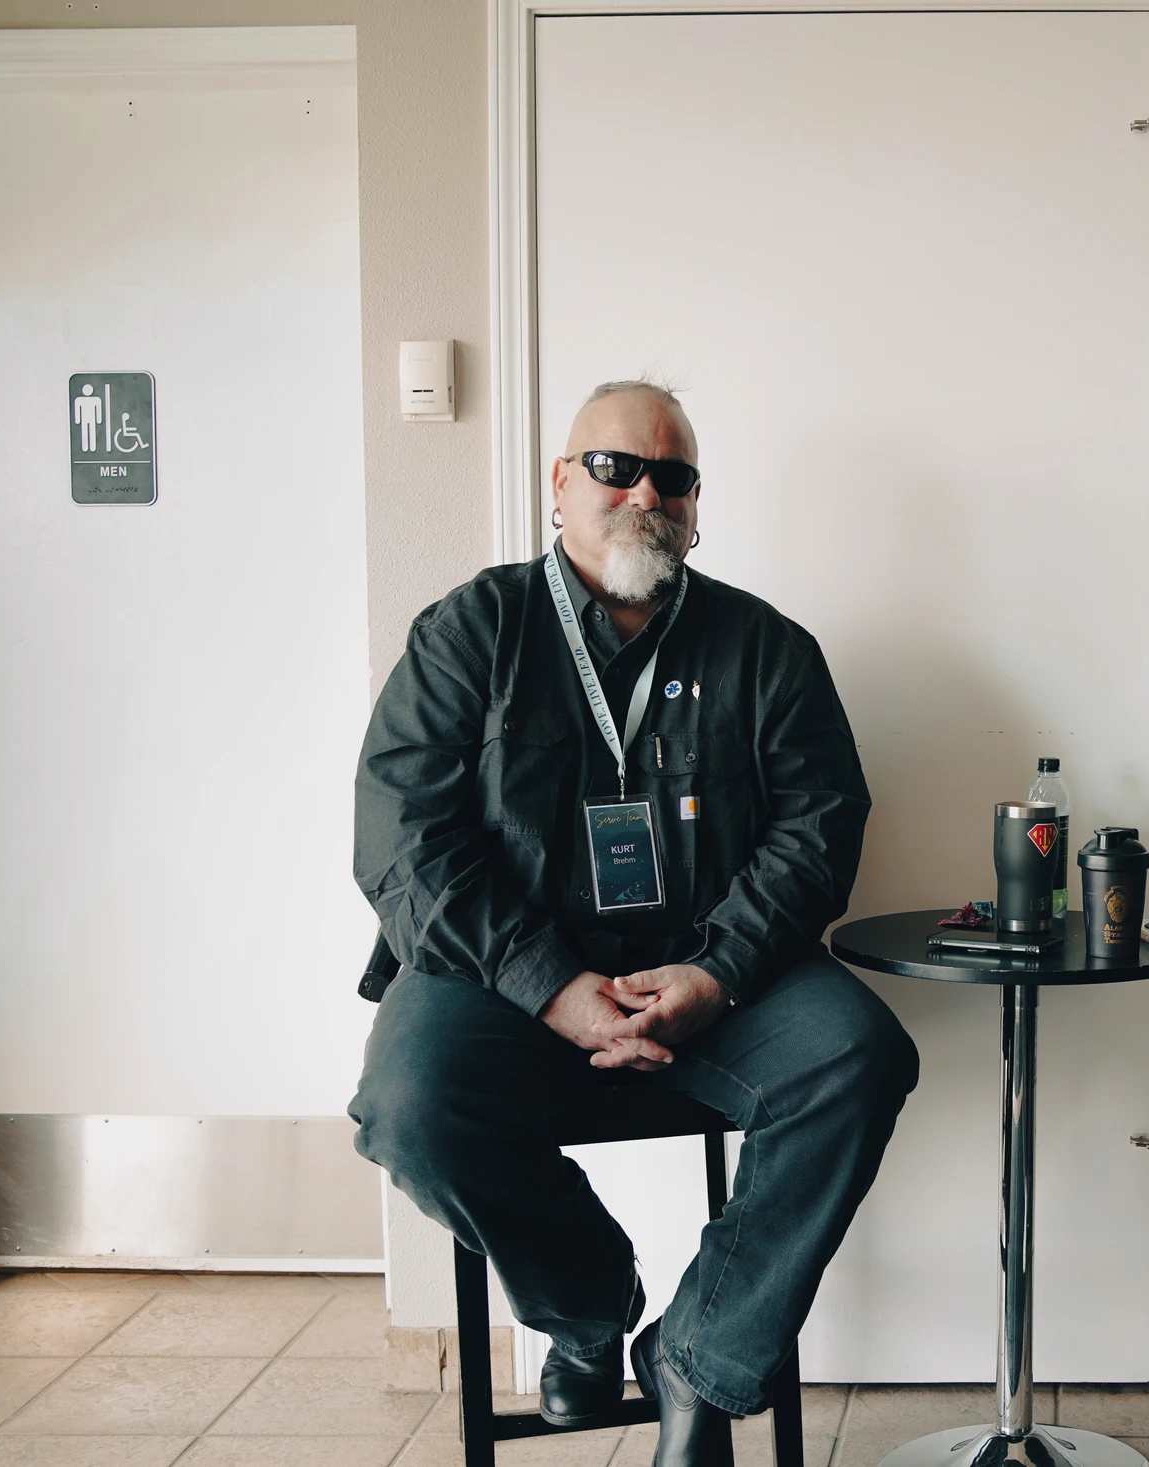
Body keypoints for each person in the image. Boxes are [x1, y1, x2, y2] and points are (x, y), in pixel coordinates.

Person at [348, 379, 916, 1466]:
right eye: (616, 467)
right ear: (562, 483)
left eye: (674, 476)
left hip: (712, 979)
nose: (644, 492)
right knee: (409, 1102)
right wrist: (548, 986)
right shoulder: (473, 630)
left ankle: (694, 1362)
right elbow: (401, 839)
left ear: (696, 505)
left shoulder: (767, 648)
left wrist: (722, 971)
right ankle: (587, 1310)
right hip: (503, 984)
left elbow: (820, 828)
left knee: (858, 1054)